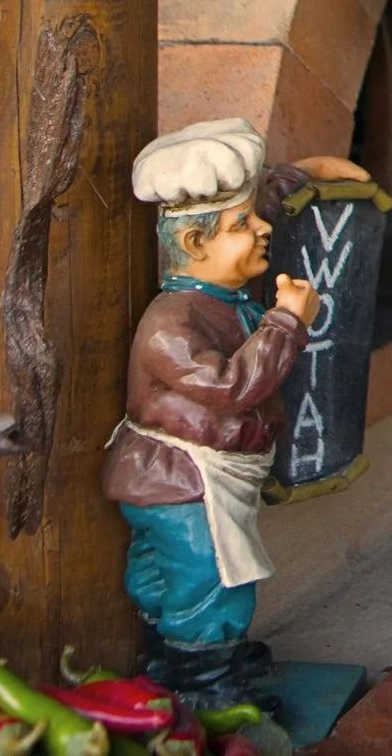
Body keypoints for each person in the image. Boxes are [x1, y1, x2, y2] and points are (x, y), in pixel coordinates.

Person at [104, 118, 323, 711]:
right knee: (213, 580)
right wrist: (286, 322)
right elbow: (231, 387)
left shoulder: (216, 297)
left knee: (169, 579)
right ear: (196, 245)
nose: (259, 232)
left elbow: (262, 210)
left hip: (194, 478)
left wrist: (305, 174)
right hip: (185, 482)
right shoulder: (171, 326)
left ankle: (180, 660)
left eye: (253, 218)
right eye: (240, 226)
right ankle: (207, 687)